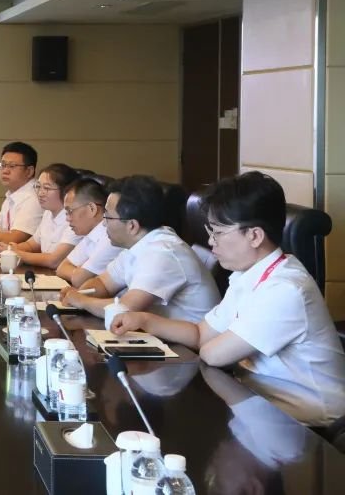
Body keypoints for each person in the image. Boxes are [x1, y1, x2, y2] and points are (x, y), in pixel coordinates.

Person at [112, 172, 345, 426]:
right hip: (259, 404)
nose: (211, 242)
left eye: (218, 232)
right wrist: (144, 320)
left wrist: (209, 342)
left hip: (311, 424)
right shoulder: (248, 274)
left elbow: (213, 354)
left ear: (254, 236)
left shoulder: (286, 289)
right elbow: (201, 334)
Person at [60, 175, 219, 323]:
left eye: (107, 217)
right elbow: (103, 283)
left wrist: (82, 301)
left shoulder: (163, 253)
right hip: (152, 334)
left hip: (181, 343)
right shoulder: (137, 244)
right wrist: (79, 294)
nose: (103, 223)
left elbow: (124, 309)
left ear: (132, 225)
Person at [6, 163, 81, 269]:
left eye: (46, 188)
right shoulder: (48, 213)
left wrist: (18, 254)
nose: (40, 193)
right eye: (38, 187)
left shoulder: (75, 219)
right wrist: (10, 249)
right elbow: (31, 245)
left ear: (66, 191)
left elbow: (54, 261)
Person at [54, 178, 123, 287]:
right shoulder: (91, 234)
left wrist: (79, 272)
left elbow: (79, 279)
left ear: (92, 209)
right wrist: (78, 272)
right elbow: (61, 268)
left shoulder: (111, 237)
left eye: (70, 211)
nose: (67, 218)